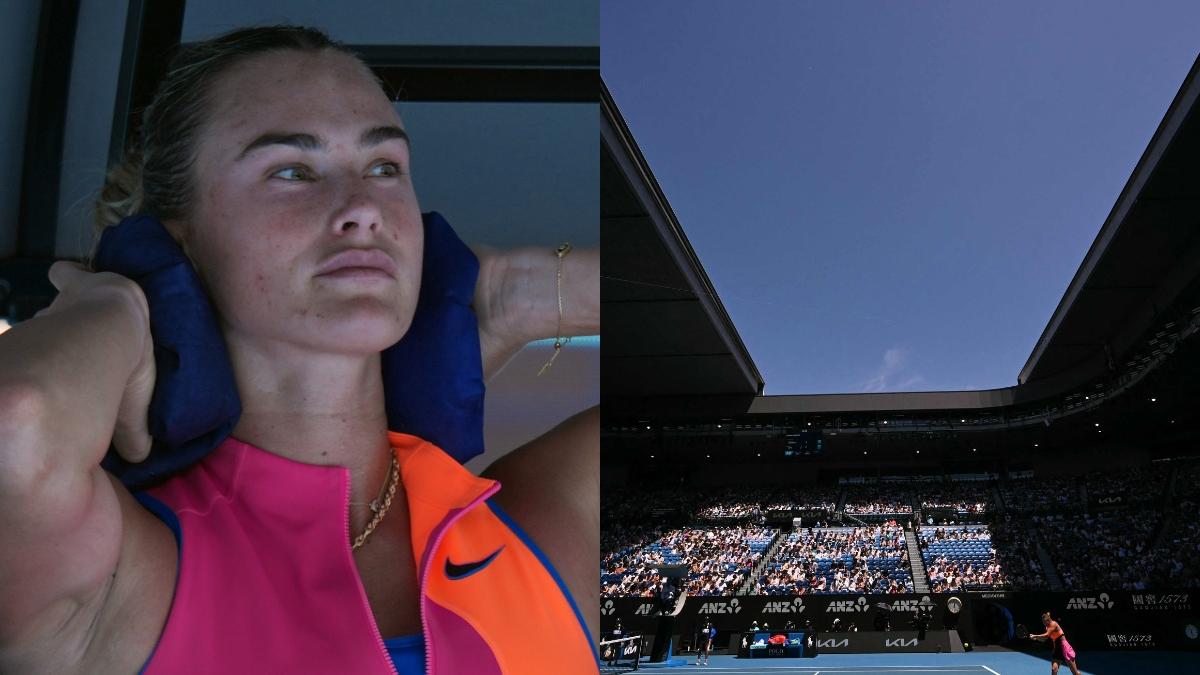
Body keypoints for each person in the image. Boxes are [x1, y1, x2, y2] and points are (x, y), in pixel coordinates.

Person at [0, 25, 598, 674]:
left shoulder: (551, 519)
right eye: (292, 169)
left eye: (384, 167)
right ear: (178, 239)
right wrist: (114, 301)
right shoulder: (116, 578)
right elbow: (17, 426)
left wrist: (528, 291)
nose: (365, 207)